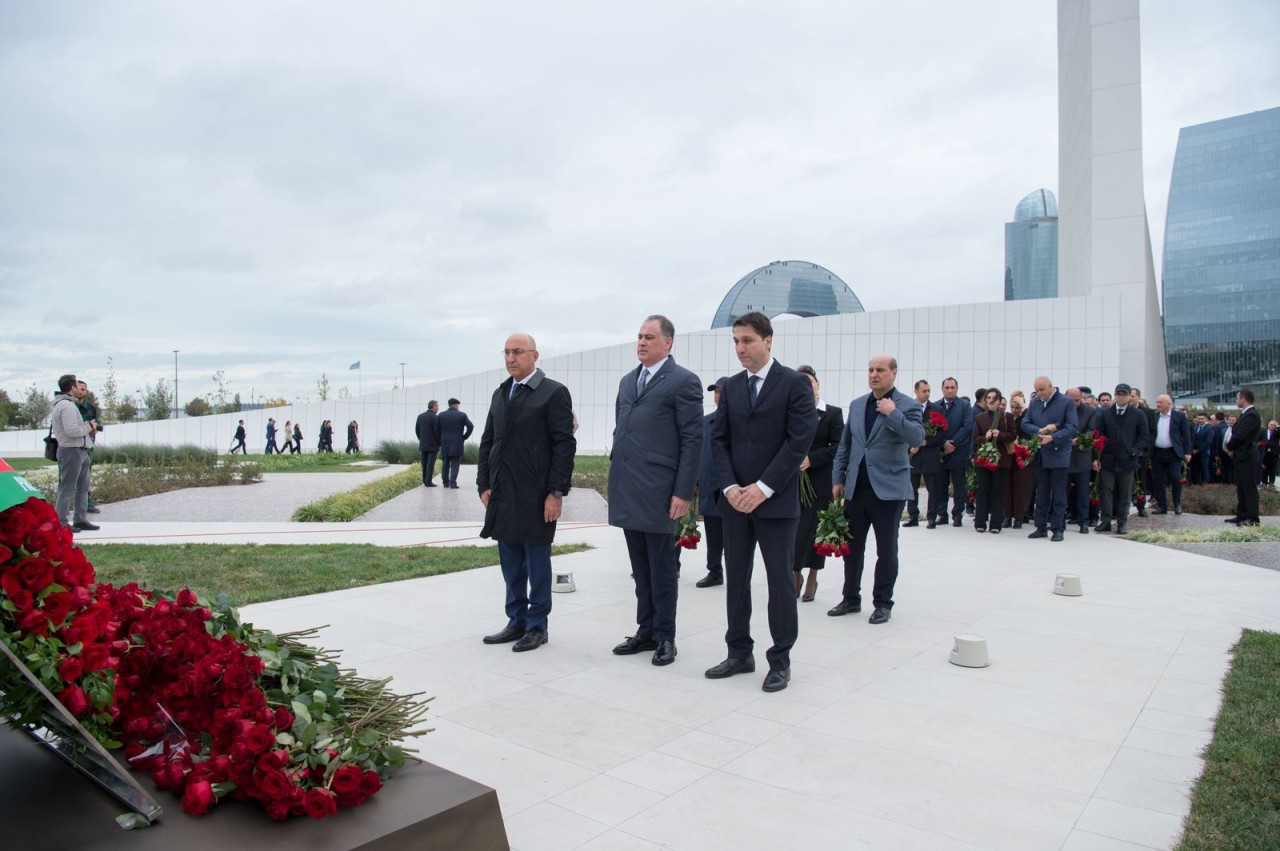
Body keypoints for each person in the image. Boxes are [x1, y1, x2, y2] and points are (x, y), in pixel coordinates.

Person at [706, 311, 816, 694]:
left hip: (775, 504)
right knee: (735, 579)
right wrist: (729, 486)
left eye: (748, 340)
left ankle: (780, 659)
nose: (740, 348)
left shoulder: (794, 385)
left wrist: (764, 487)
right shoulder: (732, 387)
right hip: (734, 503)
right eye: (736, 341)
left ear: (768, 341)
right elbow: (718, 440)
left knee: (779, 583)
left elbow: (798, 441)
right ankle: (739, 652)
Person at [607, 315, 703, 667]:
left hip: (661, 492)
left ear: (668, 342)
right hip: (629, 486)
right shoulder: (628, 381)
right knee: (640, 568)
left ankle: (666, 636)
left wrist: (682, 492)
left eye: (649, 337)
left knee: (663, 569)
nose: (642, 342)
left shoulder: (683, 381)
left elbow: (693, 440)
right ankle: (644, 630)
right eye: (639, 336)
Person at [477, 333, 576, 653]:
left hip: (537, 496)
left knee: (536, 564)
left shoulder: (553, 393)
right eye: (506, 352)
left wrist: (556, 492)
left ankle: (537, 626)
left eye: (517, 352)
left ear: (535, 356)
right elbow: (488, 440)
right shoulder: (501, 392)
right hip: (504, 494)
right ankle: (515, 620)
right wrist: (484, 483)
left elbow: (564, 445)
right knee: (511, 564)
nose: (510, 359)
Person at [828, 355, 924, 624]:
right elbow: (845, 446)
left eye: (880, 370)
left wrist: (893, 413)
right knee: (852, 548)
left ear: (894, 373)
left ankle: (883, 603)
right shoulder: (858, 405)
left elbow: (917, 438)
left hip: (889, 490)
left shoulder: (907, 405)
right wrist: (838, 479)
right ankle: (850, 598)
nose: (874, 374)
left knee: (886, 550)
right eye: (870, 369)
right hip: (856, 488)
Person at [791, 365, 844, 602]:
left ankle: (811, 574)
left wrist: (812, 459)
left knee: (813, 531)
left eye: (810, 381)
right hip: (793, 479)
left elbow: (838, 446)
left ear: (817, 384)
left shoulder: (832, 413)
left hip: (819, 479)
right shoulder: (790, 411)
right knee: (795, 529)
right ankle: (794, 573)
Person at [1021, 376, 1077, 541]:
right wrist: (1039, 431)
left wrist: (1053, 437)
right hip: (1040, 454)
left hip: (1058, 453)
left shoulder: (1065, 402)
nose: (1039, 393)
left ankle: (1058, 528)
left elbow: (1072, 426)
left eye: (1042, 389)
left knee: (1058, 494)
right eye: (1036, 390)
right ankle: (1040, 526)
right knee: (1041, 494)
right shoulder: (1036, 402)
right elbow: (1025, 422)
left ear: (1051, 387)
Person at [1094, 383, 1149, 534]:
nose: (1121, 397)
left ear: (1129, 396)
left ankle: (1122, 522)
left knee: (1125, 493)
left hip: (1127, 459)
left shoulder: (1137, 414)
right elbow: (1098, 435)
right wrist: (1097, 457)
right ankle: (1105, 520)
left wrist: (1135, 450)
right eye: (1118, 394)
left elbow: (1144, 435)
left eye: (1124, 394)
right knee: (1106, 490)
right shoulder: (1106, 414)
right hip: (1108, 459)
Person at [52, 374, 98, 532]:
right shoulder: (66, 406)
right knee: (67, 487)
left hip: (81, 450)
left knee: (83, 487)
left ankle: (80, 519)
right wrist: (89, 427)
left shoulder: (67, 404)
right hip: (71, 451)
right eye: (77, 384)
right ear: (72, 388)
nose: (80, 388)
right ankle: (61, 522)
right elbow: (72, 431)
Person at [694, 378, 728, 589]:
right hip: (708, 486)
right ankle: (714, 571)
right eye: (715, 393)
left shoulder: (740, 422)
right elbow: (697, 454)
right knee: (713, 534)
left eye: (721, 393)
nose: (718, 396)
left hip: (731, 490)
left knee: (735, 536)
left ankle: (738, 572)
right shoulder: (705, 422)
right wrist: (695, 481)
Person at [971, 388, 1014, 533]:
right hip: (983, 459)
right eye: (988, 398)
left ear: (999, 401)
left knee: (998, 491)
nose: (990, 401)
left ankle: (996, 523)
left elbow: (1013, 436)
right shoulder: (980, 417)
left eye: (993, 399)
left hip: (1001, 460)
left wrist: (1000, 434)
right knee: (983, 490)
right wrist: (986, 436)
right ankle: (980, 522)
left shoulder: (1007, 417)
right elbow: (975, 438)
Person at [934, 377, 973, 527]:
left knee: (959, 486)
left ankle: (957, 515)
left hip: (958, 451)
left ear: (957, 389)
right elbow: (931, 427)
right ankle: (941, 514)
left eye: (952, 387)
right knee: (941, 485)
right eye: (947, 387)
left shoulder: (964, 405)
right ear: (942, 388)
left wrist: (953, 443)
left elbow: (968, 426)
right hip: (941, 453)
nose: (950, 390)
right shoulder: (936, 406)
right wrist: (943, 443)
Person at [904, 379, 940, 528]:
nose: (927, 394)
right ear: (916, 391)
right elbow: (901, 430)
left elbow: (942, 434)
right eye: (924, 391)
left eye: (928, 391)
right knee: (912, 488)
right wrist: (909, 447)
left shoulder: (936, 410)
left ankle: (931, 517)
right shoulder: (907, 408)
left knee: (932, 488)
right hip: (914, 456)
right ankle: (913, 517)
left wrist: (926, 441)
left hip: (930, 455)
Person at [1149, 395, 1192, 515]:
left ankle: (1177, 504)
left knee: (1175, 478)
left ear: (1168, 404)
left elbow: (1186, 435)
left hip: (1173, 453)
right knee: (1158, 480)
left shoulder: (1179, 416)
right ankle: (1162, 506)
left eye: (1161, 402)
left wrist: (1187, 452)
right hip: (1157, 452)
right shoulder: (1154, 416)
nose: (1158, 404)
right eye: (1157, 402)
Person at [1224, 389, 1262, 526]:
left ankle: (1252, 518)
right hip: (1241, 455)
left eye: (1237, 398)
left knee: (1249, 487)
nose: (1236, 400)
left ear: (1243, 398)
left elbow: (1240, 435)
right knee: (1241, 487)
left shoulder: (1251, 415)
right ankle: (1242, 514)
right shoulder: (1246, 414)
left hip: (1248, 456)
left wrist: (1229, 447)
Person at [1066, 387, 1097, 533]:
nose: (1074, 403)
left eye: (1077, 400)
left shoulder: (1089, 411)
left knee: (1083, 493)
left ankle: (1083, 521)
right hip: (1064, 457)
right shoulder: (1062, 410)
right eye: (1071, 400)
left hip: (1082, 457)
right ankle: (1058, 521)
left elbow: (1092, 432)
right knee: (1061, 492)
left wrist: (1079, 440)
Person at [1004, 391, 1035, 529]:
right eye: (1012, 407)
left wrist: (1024, 410)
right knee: (1007, 487)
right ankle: (1007, 516)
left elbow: (1027, 431)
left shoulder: (1026, 419)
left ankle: (1019, 517)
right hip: (1008, 456)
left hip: (1022, 457)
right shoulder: (1007, 418)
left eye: (1017, 407)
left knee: (1020, 488)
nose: (1014, 410)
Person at [75, 379, 103, 514]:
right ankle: (62, 507)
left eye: (83, 389)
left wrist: (94, 428)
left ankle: (87, 502)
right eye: (78, 388)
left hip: (86, 447)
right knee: (65, 477)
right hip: (70, 447)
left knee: (86, 476)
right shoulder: (68, 406)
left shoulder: (91, 408)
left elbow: (96, 425)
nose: (81, 391)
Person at [437, 398, 474, 489]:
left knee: (445, 462)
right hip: (457, 442)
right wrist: (464, 437)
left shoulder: (441, 415)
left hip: (444, 443)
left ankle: (445, 482)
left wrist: (440, 439)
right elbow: (470, 426)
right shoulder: (462, 415)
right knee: (455, 463)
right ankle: (453, 483)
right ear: (456, 405)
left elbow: (436, 429)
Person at [415, 401, 442, 486]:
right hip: (433, 445)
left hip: (423, 444)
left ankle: (425, 480)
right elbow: (437, 432)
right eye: (437, 406)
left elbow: (417, 430)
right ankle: (428, 481)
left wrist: (421, 439)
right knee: (430, 464)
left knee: (424, 463)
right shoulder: (436, 418)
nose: (438, 408)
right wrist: (439, 442)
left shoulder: (420, 416)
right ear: (433, 406)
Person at [1191, 414, 1214, 484]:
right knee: (1196, 469)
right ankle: (1197, 483)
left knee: (1204, 469)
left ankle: (1205, 483)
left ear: (1206, 419)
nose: (1200, 420)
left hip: (1204, 452)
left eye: (1202, 419)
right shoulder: (1195, 427)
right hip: (1194, 452)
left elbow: (1208, 442)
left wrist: (1198, 450)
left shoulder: (1209, 428)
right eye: (1199, 419)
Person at [1264, 420, 1280, 486]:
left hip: (1274, 453)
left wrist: (1278, 427)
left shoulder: (1277, 432)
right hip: (1265, 453)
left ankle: (1271, 482)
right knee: (1264, 468)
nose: (1272, 426)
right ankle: (1264, 482)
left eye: (1274, 425)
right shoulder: (1264, 431)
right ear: (1268, 425)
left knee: (1272, 469)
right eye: (1271, 424)